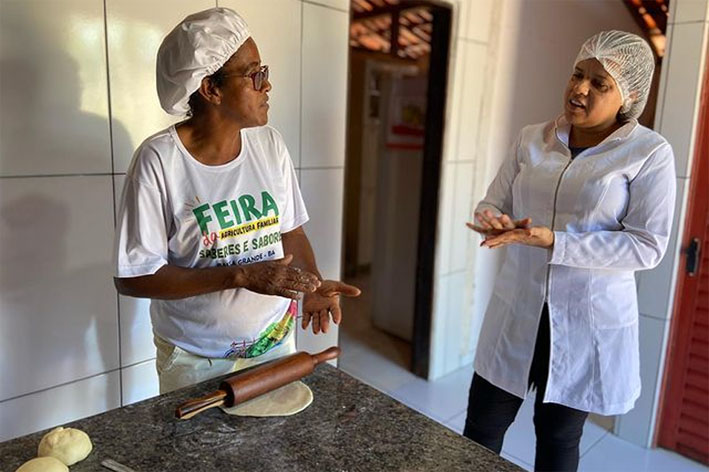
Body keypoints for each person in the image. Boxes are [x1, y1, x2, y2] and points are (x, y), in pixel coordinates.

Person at [113, 7, 360, 394]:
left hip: (275, 344)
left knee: (275, 450)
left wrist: (310, 285)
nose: (267, 86)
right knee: (199, 453)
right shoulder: (159, 161)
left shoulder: (269, 146)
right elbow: (135, 276)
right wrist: (240, 276)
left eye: (265, 73)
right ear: (211, 89)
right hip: (195, 357)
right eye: (254, 75)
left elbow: (290, 231)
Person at [463, 31, 676, 471]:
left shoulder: (648, 153)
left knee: (558, 437)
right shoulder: (531, 138)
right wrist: (495, 220)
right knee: (481, 427)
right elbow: (492, 202)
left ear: (628, 96)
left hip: (586, 321)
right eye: (579, 74)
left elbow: (647, 246)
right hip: (518, 308)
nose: (580, 89)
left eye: (600, 84)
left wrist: (556, 241)